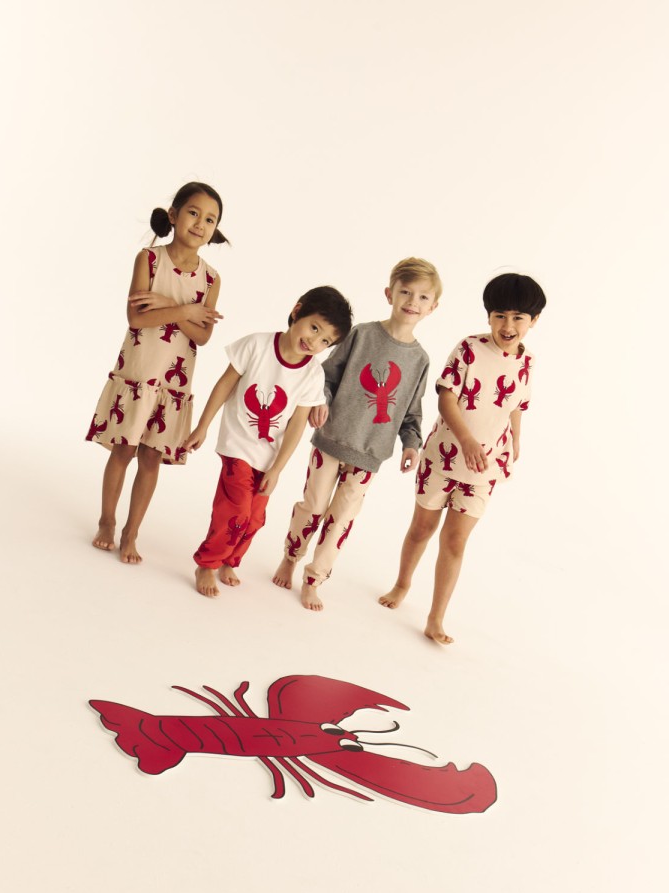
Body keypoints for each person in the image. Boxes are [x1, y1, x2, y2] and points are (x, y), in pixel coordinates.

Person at [379, 272, 547, 644]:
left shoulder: (528, 362)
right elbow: (446, 397)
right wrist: (467, 440)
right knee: (422, 528)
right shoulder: (469, 349)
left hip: (486, 466)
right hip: (444, 456)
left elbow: (516, 405)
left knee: (455, 541)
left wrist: (516, 441)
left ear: (533, 321)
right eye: (500, 316)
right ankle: (402, 584)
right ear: (489, 316)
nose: (508, 325)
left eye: (518, 318)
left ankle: (436, 618)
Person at [272, 257, 441, 611]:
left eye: (423, 297)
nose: (413, 301)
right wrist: (321, 400)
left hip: (369, 454)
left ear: (433, 307)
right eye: (405, 292)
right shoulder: (361, 334)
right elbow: (326, 376)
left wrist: (411, 444)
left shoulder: (420, 360)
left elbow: (412, 411)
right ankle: (290, 557)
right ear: (389, 294)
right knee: (312, 506)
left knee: (341, 521)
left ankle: (314, 578)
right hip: (330, 439)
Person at [86, 181, 227, 563]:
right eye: (194, 213)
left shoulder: (211, 279)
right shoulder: (149, 259)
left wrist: (167, 307)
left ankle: (131, 532)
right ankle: (107, 521)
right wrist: (184, 310)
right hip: (138, 371)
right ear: (174, 215)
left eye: (210, 219)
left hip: (172, 381)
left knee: (150, 459)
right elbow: (136, 318)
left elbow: (203, 335)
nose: (200, 224)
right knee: (123, 449)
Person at [186, 286, 353, 598]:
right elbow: (224, 385)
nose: (314, 342)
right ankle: (207, 563)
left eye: (325, 341)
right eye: (314, 328)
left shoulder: (312, 375)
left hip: (269, 456)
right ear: (297, 311)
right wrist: (203, 426)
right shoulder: (256, 344)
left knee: (254, 518)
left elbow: (297, 425)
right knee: (235, 510)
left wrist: (277, 469)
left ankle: (230, 560)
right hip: (237, 444)